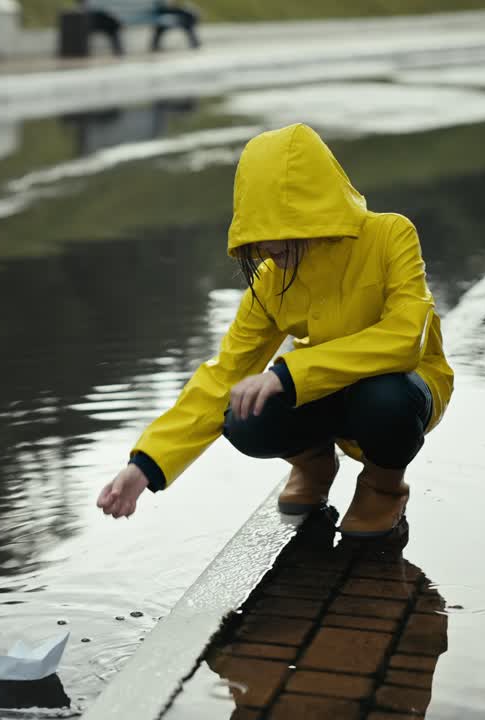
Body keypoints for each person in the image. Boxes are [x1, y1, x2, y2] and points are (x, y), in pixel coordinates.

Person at [95, 123, 454, 538]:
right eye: (259, 229)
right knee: (243, 414)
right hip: (323, 391)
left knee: (385, 398)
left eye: (283, 228)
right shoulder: (269, 281)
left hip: (405, 387)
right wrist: (143, 466)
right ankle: (314, 464)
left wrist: (286, 374)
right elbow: (223, 376)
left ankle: (383, 486)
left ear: (317, 207)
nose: (268, 246)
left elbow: (405, 338)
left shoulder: (391, 234)